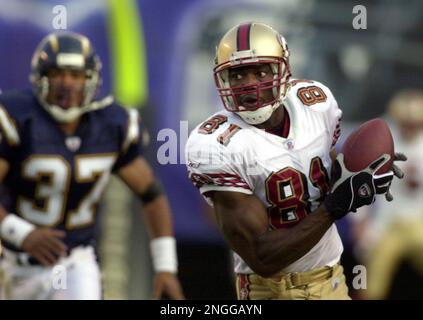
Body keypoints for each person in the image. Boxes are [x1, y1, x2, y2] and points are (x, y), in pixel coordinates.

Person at [185, 22, 405, 300]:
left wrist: (364, 172)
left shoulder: (316, 103)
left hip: (331, 279)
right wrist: (334, 207)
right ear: (223, 80)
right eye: (238, 74)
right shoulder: (215, 144)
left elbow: (328, 167)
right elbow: (263, 258)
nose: (250, 84)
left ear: (283, 70)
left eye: (261, 71)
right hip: (270, 291)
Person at [0, 31, 184, 300]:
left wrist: (166, 266)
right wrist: (22, 233)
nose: (67, 84)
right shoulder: (17, 117)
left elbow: (151, 194)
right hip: (11, 261)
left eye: (76, 75)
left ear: (92, 80)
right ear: (40, 77)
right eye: (57, 74)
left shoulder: (111, 126)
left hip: (74, 263)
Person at [353, 90, 423, 299]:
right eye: (406, 123)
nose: (410, 128)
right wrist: (360, 222)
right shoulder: (380, 141)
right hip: (386, 222)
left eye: (415, 123)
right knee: (368, 279)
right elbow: (361, 185)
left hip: (418, 219)